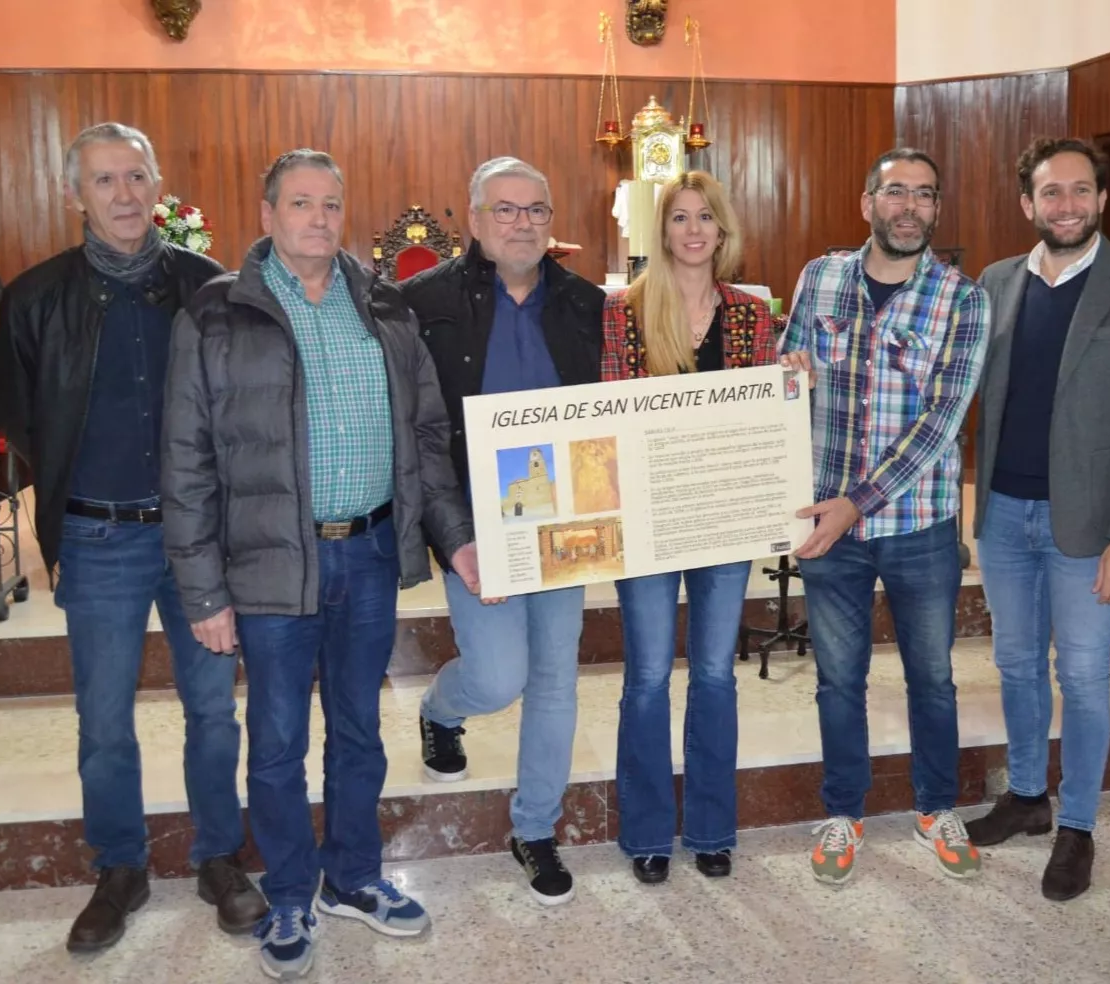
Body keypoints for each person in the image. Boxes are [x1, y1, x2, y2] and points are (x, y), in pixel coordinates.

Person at [162, 149, 478, 979]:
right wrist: (202, 590)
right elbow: (185, 461)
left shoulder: (384, 306)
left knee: (358, 730)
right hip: (270, 565)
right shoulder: (216, 314)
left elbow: (428, 437)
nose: (319, 218)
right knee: (273, 743)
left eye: (332, 204)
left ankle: (356, 877)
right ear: (266, 214)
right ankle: (292, 892)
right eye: (300, 203)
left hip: (368, 554)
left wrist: (453, 536)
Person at [0, 122, 264, 952]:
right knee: (104, 719)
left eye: (137, 178)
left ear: (158, 186)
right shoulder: (35, 298)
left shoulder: (207, 286)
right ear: (77, 194)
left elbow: (238, 406)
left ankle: (220, 857)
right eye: (106, 181)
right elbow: (21, 413)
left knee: (214, 712)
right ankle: (120, 868)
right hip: (98, 535)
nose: (124, 196)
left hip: (198, 542)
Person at [967, 136, 1110, 901]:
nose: (1067, 205)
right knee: (1018, 666)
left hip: (1088, 524)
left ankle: (1079, 825)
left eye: (1080, 190)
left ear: (1100, 198)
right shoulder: (994, 283)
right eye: (1050, 193)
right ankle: (1028, 797)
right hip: (1002, 514)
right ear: (1027, 204)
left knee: (1084, 677)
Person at [779, 148, 990, 887]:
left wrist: (855, 505)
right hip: (825, 526)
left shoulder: (963, 300)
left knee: (931, 678)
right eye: (896, 192)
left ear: (936, 209)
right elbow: (787, 366)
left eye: (925, 195)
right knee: (839, 681)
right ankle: (844, 811)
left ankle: (938, 807)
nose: (910, 206)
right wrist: (788, 375)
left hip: (919, 527)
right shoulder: (821, 277)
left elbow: (942, 425)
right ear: (867, 201)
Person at [400, 157, 605, 906]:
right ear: (476, 219)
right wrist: (451, 533)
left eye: (537, 210)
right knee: (497, 676)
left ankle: (535, 827)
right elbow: (418, 433)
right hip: (474, 525)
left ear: (552, 222)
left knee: (554, 681)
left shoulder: (588, 303)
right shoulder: (421, 302)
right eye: (506, 209)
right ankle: (441, 708)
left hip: (564, 524)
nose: (522, 223)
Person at [600, 170, 775, 884]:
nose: (694, 230)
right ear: (662, 229)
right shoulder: (624, 310)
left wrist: (789, 382)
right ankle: (645, 832)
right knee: (645, 677)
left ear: (722, 230)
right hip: (646, 520)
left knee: (712, 676)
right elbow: (614, 407)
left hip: (724, 521)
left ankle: (709, 828)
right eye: (680, 218)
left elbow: (764, 416)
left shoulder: (749, 314)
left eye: (706, 217)